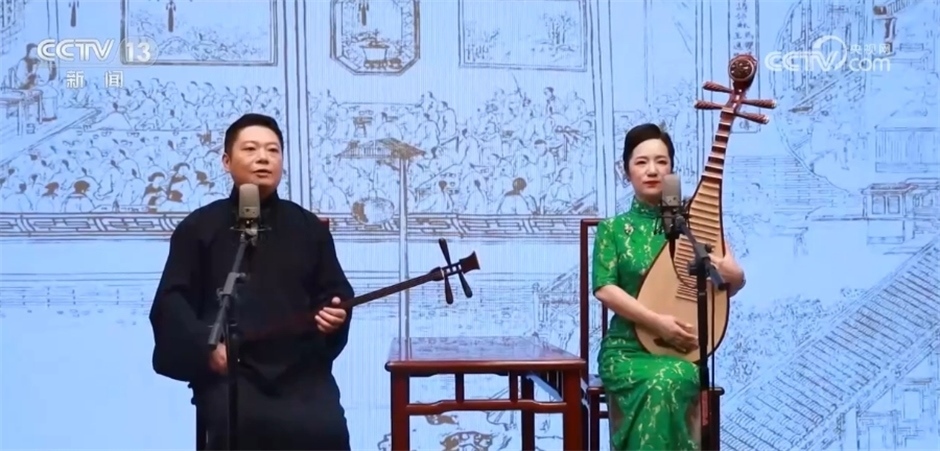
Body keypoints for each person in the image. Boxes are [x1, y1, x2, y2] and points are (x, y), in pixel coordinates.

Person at [148, 113, 354, 450]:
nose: (263, 158)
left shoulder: (308, 229)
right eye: (251, 149)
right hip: (232, 371)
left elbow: (335, 293)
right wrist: (206, 347)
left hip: (301, 373)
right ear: (226, 161)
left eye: (273, 150)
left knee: (325, 429)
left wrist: (334, 316)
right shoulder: (199, 228)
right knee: (242, 426)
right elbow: (171, 302)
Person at [592, 123, 746, 450]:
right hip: (626, 350)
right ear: (626, 170)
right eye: (641, 162)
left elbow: (733, 280)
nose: (652, 170)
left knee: (673, 376)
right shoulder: (613, 229)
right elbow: (605, 288)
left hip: (683, 352)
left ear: (672, 169)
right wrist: (656, 322)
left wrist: (727, 269)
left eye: (661, 162)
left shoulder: (694, 222)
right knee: (661, 381)